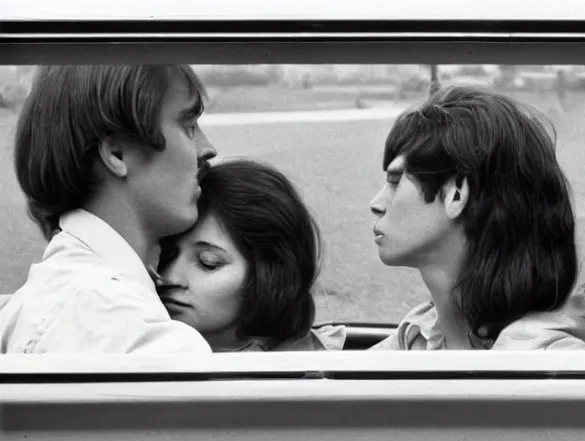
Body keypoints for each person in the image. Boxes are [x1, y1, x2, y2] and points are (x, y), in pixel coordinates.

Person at [0, 65, 217, 354]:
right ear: (117, 153)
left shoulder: (19, 309)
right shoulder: (154, 344)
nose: (208, 148)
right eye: (188, 126)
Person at [368, 85, 585, 350]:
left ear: (456, 194)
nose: (376, 204)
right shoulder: (419, 335)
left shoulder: (549, 359)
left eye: (396, 181)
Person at [157, 159, 346, 352]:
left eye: (208, 263)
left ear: (268, 274)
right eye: (165, 255)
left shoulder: (302, 375)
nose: (170, 278)